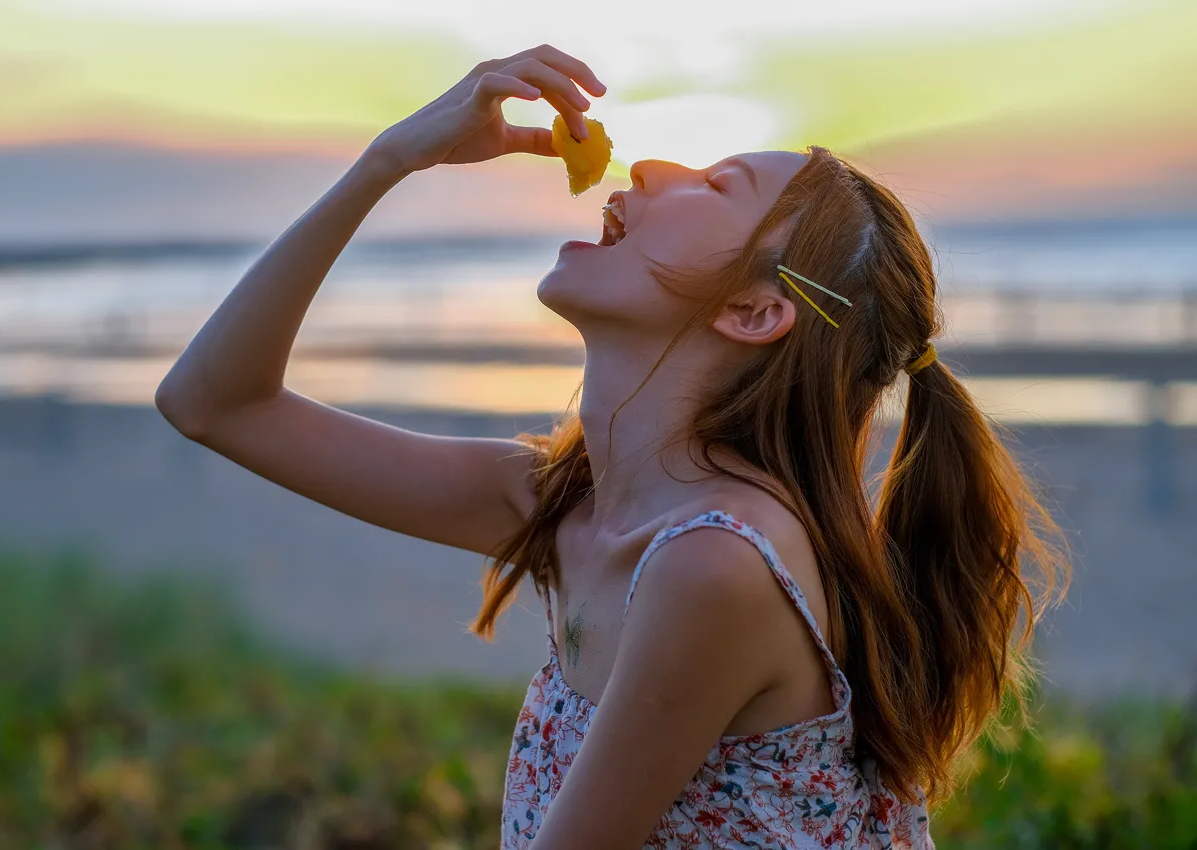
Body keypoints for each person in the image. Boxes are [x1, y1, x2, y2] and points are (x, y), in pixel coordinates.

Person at [156, 44, 1066, 849]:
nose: (659, 165)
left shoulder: (716, 565)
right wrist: (393, 158)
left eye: (716, 185)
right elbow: (211, 403)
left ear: (754, 311)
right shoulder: (567, 506)